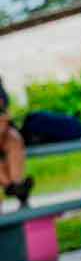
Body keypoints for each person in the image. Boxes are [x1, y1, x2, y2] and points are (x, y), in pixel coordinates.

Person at [0, 80, 32, 208]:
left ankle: (16, 184)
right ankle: (11, 186)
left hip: (4, 130)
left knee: (15, 140)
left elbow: (4, 107)